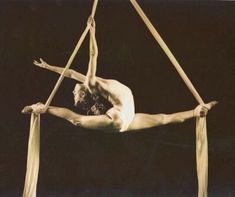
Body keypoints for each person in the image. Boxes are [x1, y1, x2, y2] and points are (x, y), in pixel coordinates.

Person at [22, 18, 217, 132]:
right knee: (76, 119)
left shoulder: (93, 84)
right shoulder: (91, 82)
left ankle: (196, 111)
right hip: (121, 118)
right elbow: (92, 54)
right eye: (75, 93)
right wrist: (92, 32)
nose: (74, 90)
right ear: (84, 93)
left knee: (164, 118)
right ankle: (42, 108)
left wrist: (49, 67)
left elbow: (71, 73)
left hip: (126, 119)